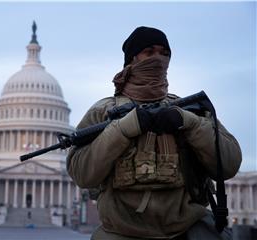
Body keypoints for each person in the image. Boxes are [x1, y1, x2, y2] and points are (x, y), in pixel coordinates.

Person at [67, 26, 242, 240]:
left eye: (164, 53)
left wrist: (190, 124)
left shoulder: (189, 109)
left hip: (186, 227)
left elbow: (230, 164)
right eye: (149, 52)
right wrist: (121, 130)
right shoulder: (103, 112)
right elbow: (82, 174)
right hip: (122, 231)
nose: (158, 59)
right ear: (132, 59)